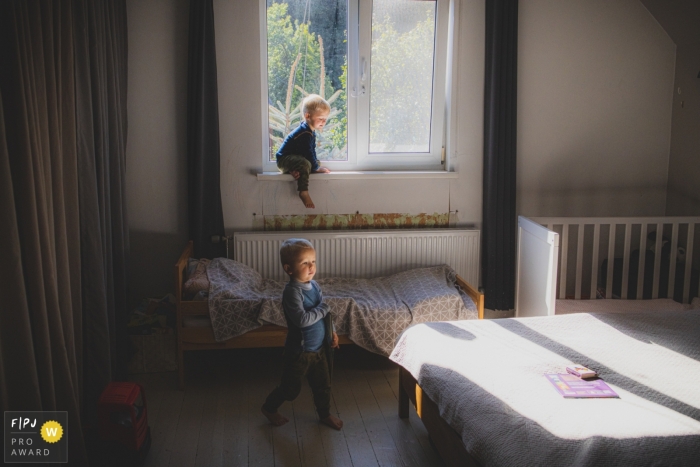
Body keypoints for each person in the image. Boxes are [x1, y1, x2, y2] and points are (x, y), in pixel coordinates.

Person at [261, 238, 343, 430]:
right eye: (304, 263)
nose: (311, 266)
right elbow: (302, 320)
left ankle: (324, 414)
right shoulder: (292, 292)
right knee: (290, 389)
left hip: (320, 349)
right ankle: (269, 408)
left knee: (323, 385)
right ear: (289, 269)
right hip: (299, 352)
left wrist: (333, 332)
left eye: (313, 261)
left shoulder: (314, 286)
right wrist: (323, 309)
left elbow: (326, 315)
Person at [275, 94, 331, 209]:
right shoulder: (304, 133)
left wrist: (316, 165)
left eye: (325, 119)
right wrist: (315, 168)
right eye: (320, 118)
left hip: (292, 159)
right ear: (307, 116)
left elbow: (311, 151)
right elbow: (307, 152)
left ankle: (294, 170)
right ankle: (303, 191)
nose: (323, 122)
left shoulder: (309, 130)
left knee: (315, 162)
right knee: (307, 163)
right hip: (284, 160)